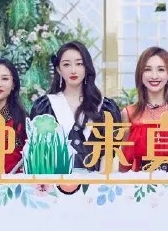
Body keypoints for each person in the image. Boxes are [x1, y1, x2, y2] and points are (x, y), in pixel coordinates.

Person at [28, 41, 122, 172]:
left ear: (87, 67)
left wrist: (101, 182)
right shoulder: (44, 107)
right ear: (59, 69)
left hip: (95, 182)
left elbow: (108, 154)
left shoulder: (105, 107)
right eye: (66, 64)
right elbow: (39, 154)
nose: (73, 70)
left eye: (79, 64)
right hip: (55, 182)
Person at [120, 47, 168, 171]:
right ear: (140, 74)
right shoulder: (129, 113)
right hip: (140, 181)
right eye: (147, 69)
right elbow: (124, 162)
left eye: (161, 69)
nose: (154, 76)